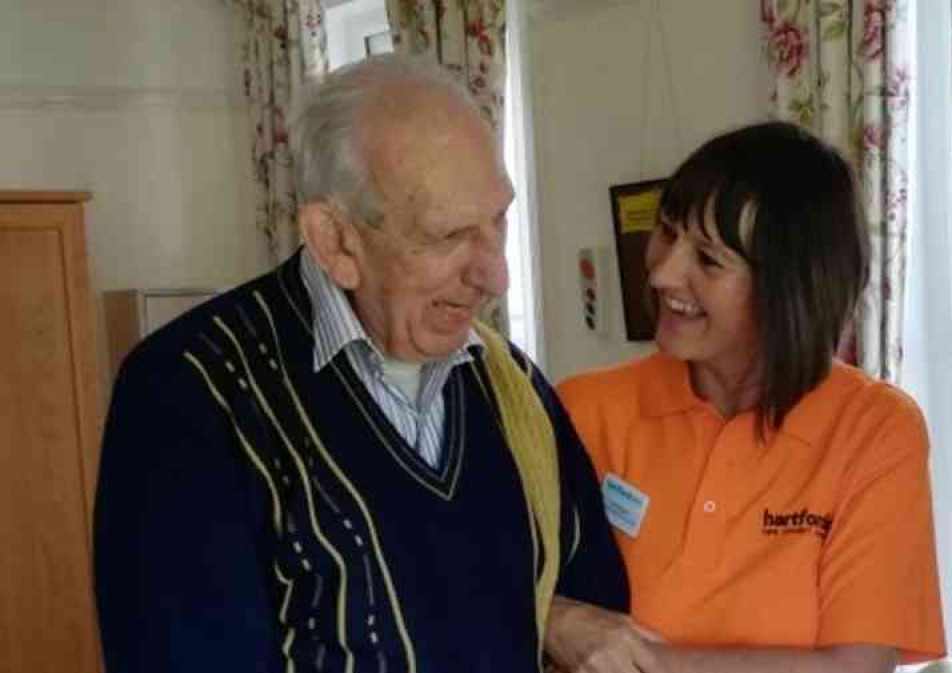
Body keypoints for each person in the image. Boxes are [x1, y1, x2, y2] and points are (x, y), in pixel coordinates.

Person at [94, 54, 628, 673]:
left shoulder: (515, 389)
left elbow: (595, 612)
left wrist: (558, 618)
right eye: (447, 236)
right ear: (335, 240)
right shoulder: (189, 394)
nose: (495, 276)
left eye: (498, 221)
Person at [547, 121, 946, 673]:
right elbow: (485, 582)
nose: (663, 273)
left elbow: (857, 666)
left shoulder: (874, 429)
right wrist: (558, 618)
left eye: (708, 260)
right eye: (667, 233)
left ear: (790, 289)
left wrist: (650, 665)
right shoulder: (580, 410)